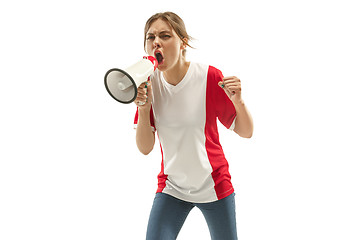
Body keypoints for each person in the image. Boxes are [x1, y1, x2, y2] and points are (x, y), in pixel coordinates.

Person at [133, 12, 253, 240]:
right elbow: (145, 148)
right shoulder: (147, 83)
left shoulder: (208, 76)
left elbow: (246, 131)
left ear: (183, 42)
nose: (156, 42)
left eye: (165, 36)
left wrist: (238, 102)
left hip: (214, 185)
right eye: (151, 37)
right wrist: (144, 107)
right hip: (172, 188)